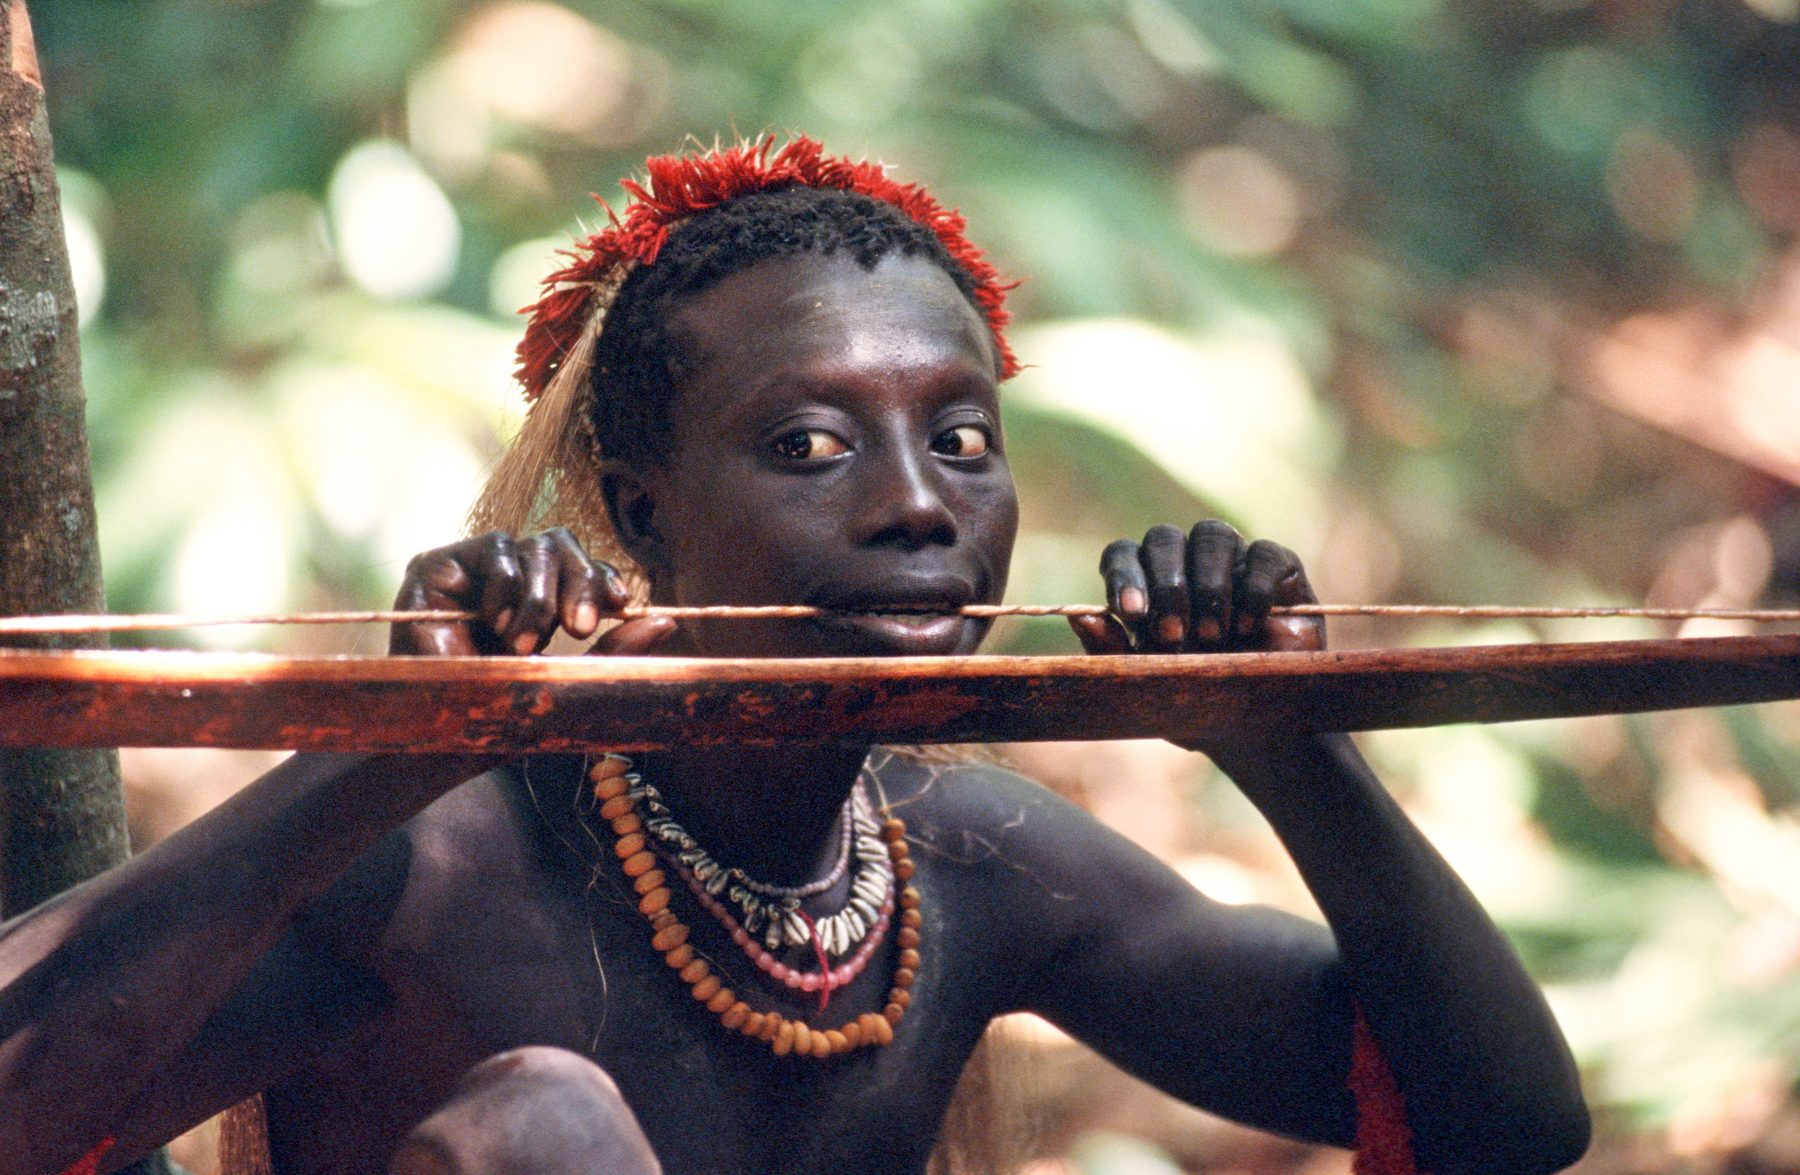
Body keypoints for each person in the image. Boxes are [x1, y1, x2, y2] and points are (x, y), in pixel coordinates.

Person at [0, 136, 1589, 1175]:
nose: (918, 508)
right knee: (544, 1130)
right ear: (642, 510)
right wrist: (385, 761)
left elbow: (1509, 1127)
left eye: (963, 439)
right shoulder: (438, 861)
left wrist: (1283, 743)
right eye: (812, 445)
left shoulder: (963, 861)